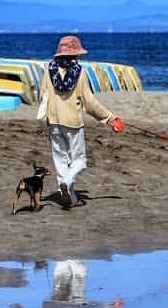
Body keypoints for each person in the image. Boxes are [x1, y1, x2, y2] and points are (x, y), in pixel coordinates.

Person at [39, 35, 122, 209]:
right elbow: (90, 103)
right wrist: (109, 118)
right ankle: (67, 183)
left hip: (53, 121)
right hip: (72, 123)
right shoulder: (80, 73)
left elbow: (43, 96)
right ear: (76, 54)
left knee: (61, 159)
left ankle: (70, 197)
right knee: (80, 160)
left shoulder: (48, 71)